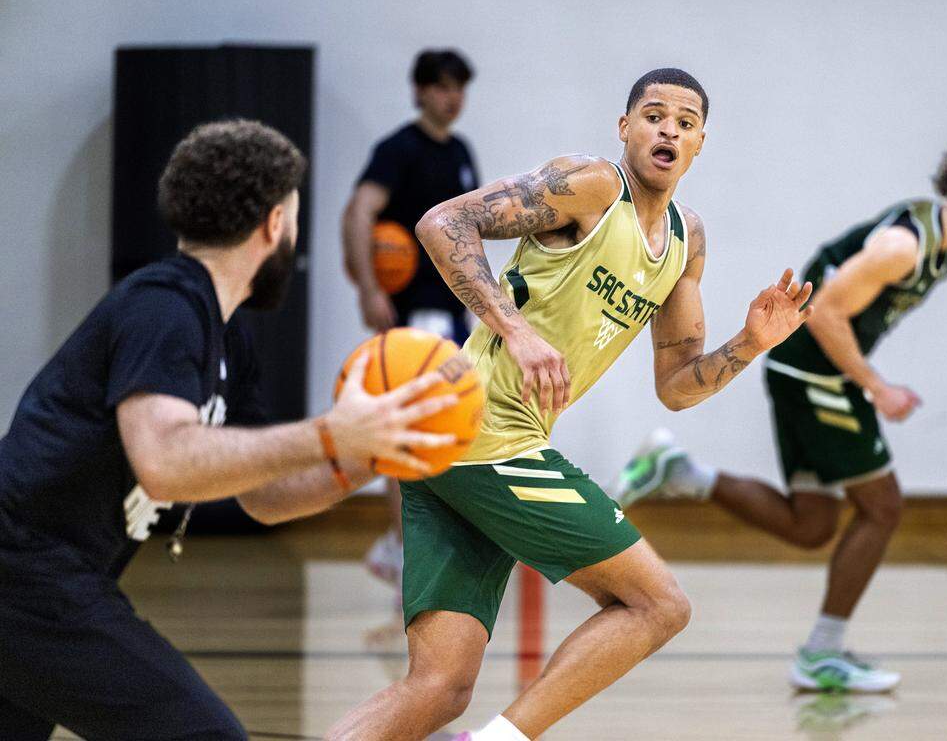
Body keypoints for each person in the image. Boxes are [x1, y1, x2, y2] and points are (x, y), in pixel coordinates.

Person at [325, 68, 814, 741]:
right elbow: (443, 223)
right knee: (659, 606)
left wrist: (752, 342)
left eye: (685, 120)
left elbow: (675, 385)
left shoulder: (684, 242)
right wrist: (517, 331)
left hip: (449, 447)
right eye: (653, 114)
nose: (668, 128)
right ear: (625, 128)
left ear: (701, 142)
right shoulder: (588, 185)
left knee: (438, 689)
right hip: (484, 435)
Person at [0, 119, 456, 740]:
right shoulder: (164, 306)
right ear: (274, 224)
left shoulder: (227, 332)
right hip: (26, 576)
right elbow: (163, 458)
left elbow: (266, 496)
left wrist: (375, 453)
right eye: (293, 220)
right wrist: (330, 432)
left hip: (48, 581)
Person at [613, 139, 947, 693]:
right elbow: (826, 313)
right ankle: (821, 654)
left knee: (811, 525)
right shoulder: (904, 246)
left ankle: (679, 471)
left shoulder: (941, 246)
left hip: (804, 374)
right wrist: (878, 388)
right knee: (882, 508)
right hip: (815, 375)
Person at [341, 49, 479, 588]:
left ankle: (402, 543)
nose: (453, 97)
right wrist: (368, 287)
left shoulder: (461, 151)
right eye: (443, 86)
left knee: (447, 422)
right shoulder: (399, 149)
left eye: (459, 88)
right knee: (411, 425)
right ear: (419, 90)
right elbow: (358, 212)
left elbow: (466, 229)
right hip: (414, 312)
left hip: (450, 311)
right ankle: (400, 544)